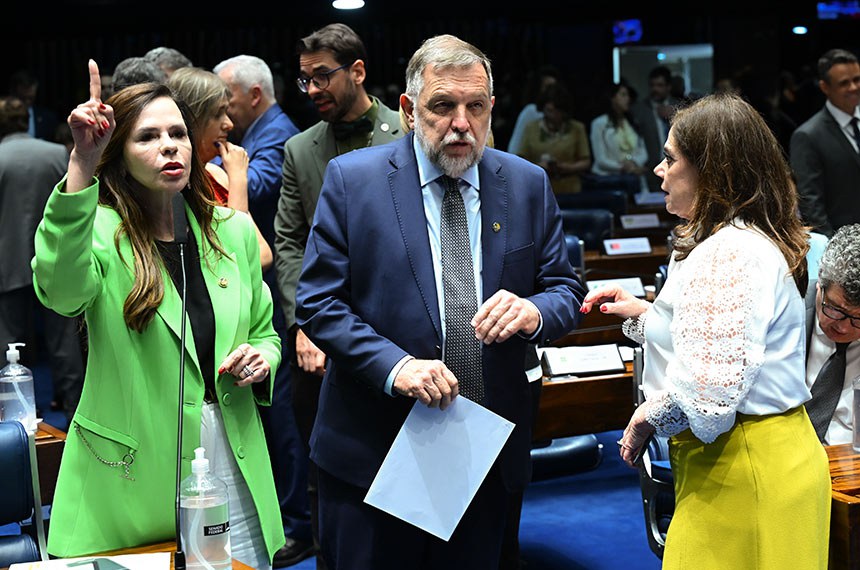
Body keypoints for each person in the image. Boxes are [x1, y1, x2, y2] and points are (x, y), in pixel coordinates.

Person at [295, 34, 585, 569]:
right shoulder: (354, 181)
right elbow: (318, 303)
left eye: (476, 107)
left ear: (492, 107)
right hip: (374, 455)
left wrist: (535, 311)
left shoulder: (526, 184)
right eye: (442, 107)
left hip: (485, 453)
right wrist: (395, 366)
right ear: (408, 110)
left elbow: (566, 289)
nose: (461, 124)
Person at [32, 60, 285, 568]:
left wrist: (262, 357)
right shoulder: (98, 231)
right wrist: (81, 163)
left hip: (231, 457)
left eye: (178, 133)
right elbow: (58, 290)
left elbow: (265, 332)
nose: (170, 145)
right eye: (147, 136)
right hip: (132, 472)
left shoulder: (232, 231)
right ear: (119, 157)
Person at [580, 92, 831, 569]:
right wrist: (646, 316)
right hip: (771, 458)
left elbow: (710, 400)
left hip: (744, 469)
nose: (659, 169)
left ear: (711, 170)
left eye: (670, 158)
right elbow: (730, 342)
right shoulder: (745, 237)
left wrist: (645, 417)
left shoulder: (725, 253)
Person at [272, 22, 403, 569]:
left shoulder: (408, 133)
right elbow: (287, 242)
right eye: (304, 81)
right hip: (319, 332)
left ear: (358, 71)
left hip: (397, 327)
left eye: (322, 76)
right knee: (324, 456)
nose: (313, 90)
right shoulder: (300, 149)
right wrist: (308, 323)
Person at [212, 53, 307, 568]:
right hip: (247, 290)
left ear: (252, 95)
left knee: (281, 421)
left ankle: (295, 524)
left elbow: (264, 228)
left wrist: (230, 177)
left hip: (262, 287)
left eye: (229, 106)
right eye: (217, 116)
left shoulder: (274, 135)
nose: (227, 123)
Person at [0, 95, 84, 425]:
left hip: (7, 262)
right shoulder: (55, 153)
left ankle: (17, 419)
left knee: (9, 346)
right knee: (65, 344)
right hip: (54, 258)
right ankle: (75, 412)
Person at [166, 66, 273, 270]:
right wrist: (239, 179)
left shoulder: (216, 174)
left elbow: (264, 255)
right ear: (191, 120)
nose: (229, 124)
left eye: (227, 112)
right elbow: (239, 257)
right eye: (218, 114)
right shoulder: (173, 184)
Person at [790, 48, 860, 237]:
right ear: (825, 87)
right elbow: (811, 206)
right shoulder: (807, 136)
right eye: (844, 83)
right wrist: (835, 253)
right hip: (845, 249)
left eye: (857, 79)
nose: (854, 87)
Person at [804, 224, 860, 445]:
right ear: (820, 285)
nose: (844, 328)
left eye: (858, 319)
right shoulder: (787, 315)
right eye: (836, 310)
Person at [515, 81, 591, 194]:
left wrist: (566, 167)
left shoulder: (577, 128)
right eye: (549, 111)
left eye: (557, 112)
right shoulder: (531, 128)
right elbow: (520, 159)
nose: (553, 116)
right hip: (538, 188)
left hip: (570, 190)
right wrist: (538, 167)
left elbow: (586, 161)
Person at [587, 82, 649, 195]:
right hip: (609, 182)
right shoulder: (599, 124)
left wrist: (634, 163)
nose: (628, 99)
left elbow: (643, 151)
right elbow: (600, 159)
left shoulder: (632, 122)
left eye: (628, 96)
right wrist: (624, 167)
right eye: (623, 95)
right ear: (612, 98)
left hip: (633, 178)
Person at [630, 65, 680, 193]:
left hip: (676, 169)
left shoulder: (679, 107)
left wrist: (674, 115)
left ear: (668, 87)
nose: (655, 89)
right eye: (652, 85)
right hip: (650, 169)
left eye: (660, 85)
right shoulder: (639, 109)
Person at [506, 64, 560, 156]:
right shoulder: (531, 111)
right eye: (547, 87)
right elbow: (515, 148)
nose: (551, 91)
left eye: (553, 87)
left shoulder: (560, 114)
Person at [8, 68, 59, 141]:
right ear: (13, 94)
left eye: (30, 98)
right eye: (22, 98)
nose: (27, 102)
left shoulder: (47, 117)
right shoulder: (4, 117)